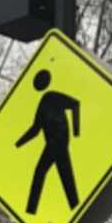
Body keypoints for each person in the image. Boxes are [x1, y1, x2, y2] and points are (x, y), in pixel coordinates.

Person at [15, 69, 80, 214]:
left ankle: (31, 210)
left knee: (48, 173)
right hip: (52, 144)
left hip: (59, 142)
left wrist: (76, 132)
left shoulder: (52, 96)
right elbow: (35, 130)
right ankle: (74, 208)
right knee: (62, 177)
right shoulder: (42, 104)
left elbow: (75, 104)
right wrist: (17, 144)